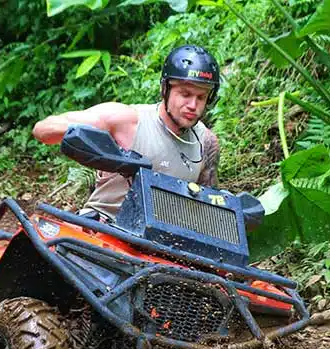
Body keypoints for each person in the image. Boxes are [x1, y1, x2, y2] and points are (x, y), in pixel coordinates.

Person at [33, 44, 222, 219]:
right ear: (165, 89)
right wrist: (106, 149)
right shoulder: (126, 121)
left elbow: (207, 207)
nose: (193, 105)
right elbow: (43, 130)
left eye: (201, 97)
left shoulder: (206, 142)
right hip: (102, 227)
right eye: (185, 94)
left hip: (160, 242)